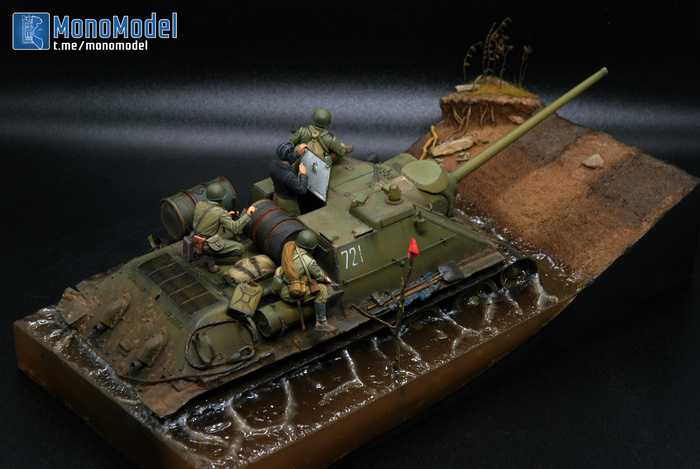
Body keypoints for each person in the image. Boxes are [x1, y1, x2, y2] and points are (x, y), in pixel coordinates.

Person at [270, 230, 337, 333]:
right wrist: (326, 278)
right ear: (311, 247)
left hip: (281, 287)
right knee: (322, 289)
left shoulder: (289, 249)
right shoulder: (309, 261)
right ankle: (321, 323)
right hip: (291, 294)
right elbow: (319, 276)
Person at [190, 183, 256, 272]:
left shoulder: (199, 204)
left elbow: (208, 220)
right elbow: (235, 228)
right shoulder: (221, 212)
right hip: (205, 244)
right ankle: (210, 258)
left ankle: (206, 253)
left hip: (194, 239)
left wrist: (225, 217)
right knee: (240, 248)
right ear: (220, 199)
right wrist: (247, 215)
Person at [289, 108, 354, 164]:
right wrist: (343, 149)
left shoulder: (302, 130)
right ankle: (344, 146)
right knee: (336, 151)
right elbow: (341, 152)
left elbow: (290, 143)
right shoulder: (330, 138)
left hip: (300, 159)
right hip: (317, 163)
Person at [269, 141, 308, 217]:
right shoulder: (289, 176)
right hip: (287, 203)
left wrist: (297, 154)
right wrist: (303, 174)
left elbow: (285, 162)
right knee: (293, 219)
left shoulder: (273, 164)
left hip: (276, 196)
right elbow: (302, 190)